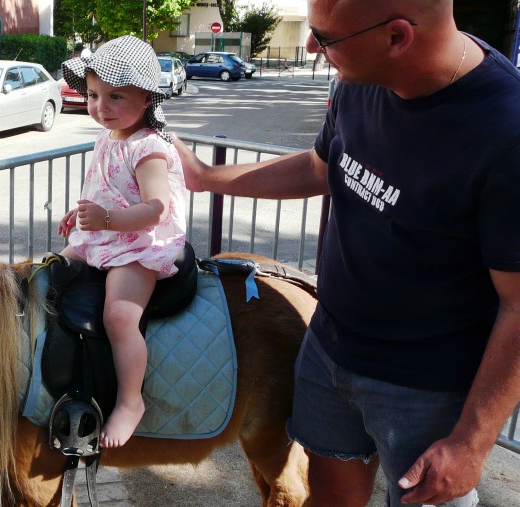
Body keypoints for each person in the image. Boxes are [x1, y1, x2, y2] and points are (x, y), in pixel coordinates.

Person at [173, 1, 520, 505]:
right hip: (329, 349)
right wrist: (207, 178)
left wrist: (472, 442)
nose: (311, 46)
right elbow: (319, 167)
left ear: (397, 37)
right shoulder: (359, 81)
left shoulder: (506, 131)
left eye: (326, 37)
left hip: (425, 389)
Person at [58, 35, 187, 448]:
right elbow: (107, 189)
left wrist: (107, 220)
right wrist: (81, 214)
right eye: (94, 95)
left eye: (116, 96)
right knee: (49, 272)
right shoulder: (107, 137)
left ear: (147, 98)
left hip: (138, 244)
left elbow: (156, 208)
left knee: (119, 316)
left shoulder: (148, 147)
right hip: (103, 235)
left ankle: (131, 402)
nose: (102, 106)